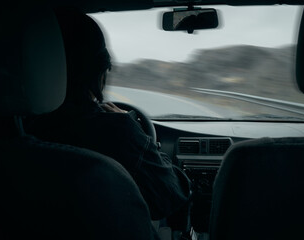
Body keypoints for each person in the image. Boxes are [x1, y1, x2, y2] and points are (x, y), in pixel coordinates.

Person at [26, 9, 191, 221]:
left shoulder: (17, 134)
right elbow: (170, 197)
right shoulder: (117, 131)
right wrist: (142, 138)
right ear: (100, 72)